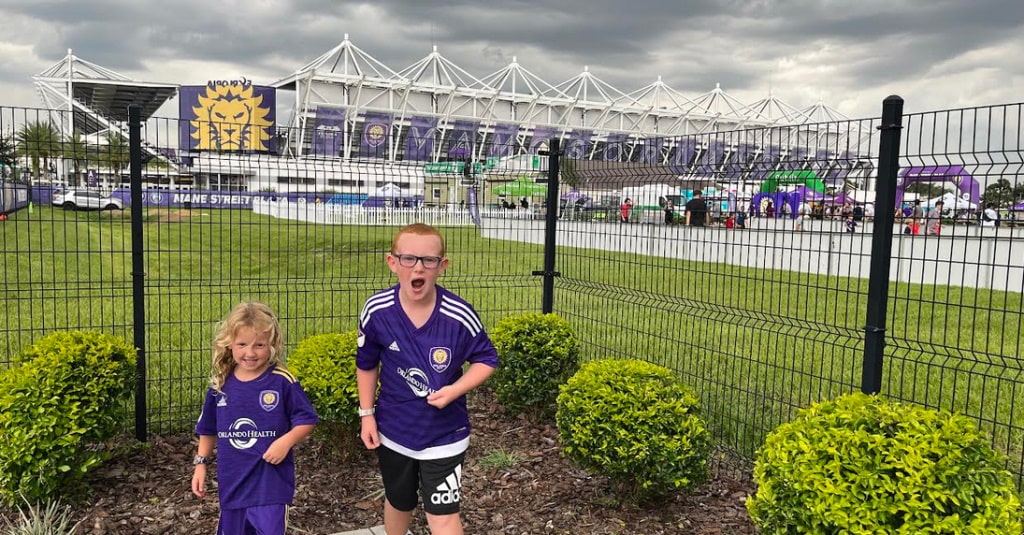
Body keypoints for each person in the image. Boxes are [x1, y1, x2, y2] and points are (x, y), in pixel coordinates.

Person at [356, 223, 499, 535]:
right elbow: (367, 365)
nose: (417, 268)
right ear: (392, 262)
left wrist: (454, 390)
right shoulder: (377, 311)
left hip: (445, 437)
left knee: (443, 516)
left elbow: (487, 359)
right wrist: (366, 415)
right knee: (398, 502)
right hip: (393, 432)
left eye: (428, 261)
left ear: (442, 266)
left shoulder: (458, 315)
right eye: (408, 259)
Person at [192, 302, 319, 535]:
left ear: (272, 344)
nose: (250, 353)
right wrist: (201, 465)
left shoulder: (282, 381)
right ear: (230, 344)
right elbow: (208, 428)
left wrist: (285, 442)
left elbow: (307, 419)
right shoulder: (220, 384)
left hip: (270, 486)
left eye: (259, 345)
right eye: (242, 344)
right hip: (233, 485)